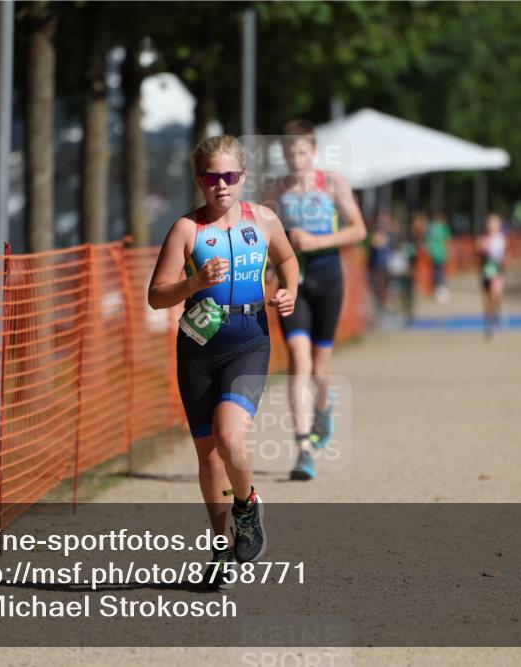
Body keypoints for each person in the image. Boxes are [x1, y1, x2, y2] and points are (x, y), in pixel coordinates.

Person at [148, 135, 299, 587]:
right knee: (209, 457)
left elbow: (288, 259)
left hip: (249, 340)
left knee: (230, 437)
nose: (222, 186)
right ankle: (221, 548)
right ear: (199, 180)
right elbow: (156, 296)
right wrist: (192, 286)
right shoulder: (185, 230)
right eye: (212, 178)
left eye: (230, 176)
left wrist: (290, 288)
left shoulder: (265, 219)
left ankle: (247, 508)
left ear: (243, 178)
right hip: (197, 347)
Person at [262, 119, 367, 481]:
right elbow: (261, 235)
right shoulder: (274, 189)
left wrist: (317, 241)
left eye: (302, 151)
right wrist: (271, 264)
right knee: (298, 363)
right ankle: (304, 448)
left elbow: (359, 229)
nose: (296, 158)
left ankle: (325, 406)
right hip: (292, 282)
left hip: (327, 275)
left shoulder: (333, 183)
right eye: (290, 152)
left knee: (320, 370)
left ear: (314, 152)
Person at [477, 213, 507, 339]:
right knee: (487, 299)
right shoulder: (482, 239)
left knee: (495, 296)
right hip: (486, 272)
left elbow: (504, 256)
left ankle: (498, 315)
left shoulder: (501, 239)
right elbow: (479, 256)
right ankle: (489, 324)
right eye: (489, 223)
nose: (491, 226)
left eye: (494, 223)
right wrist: (481, 249)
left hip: (498, 272)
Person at [425, 210, 451, 303]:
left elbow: (428, 241)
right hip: (439, 253)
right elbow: (447, 239)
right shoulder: (439, 227)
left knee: (438, 271)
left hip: (437, 253)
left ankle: (438, 289)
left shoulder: (431, 227)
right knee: (438, 272)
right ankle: (439, 289)